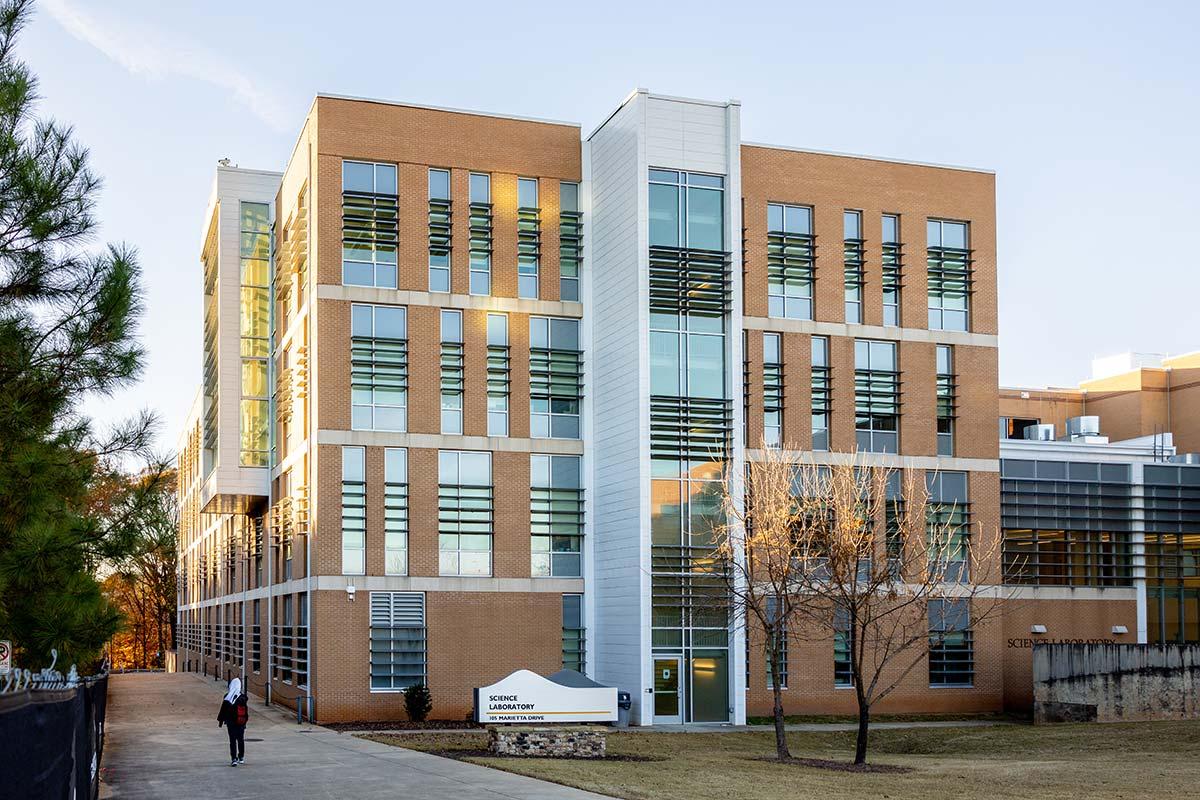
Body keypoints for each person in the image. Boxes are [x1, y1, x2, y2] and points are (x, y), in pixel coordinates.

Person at [217, 677, 250, 766]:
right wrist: (245, 721)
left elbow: (223, 710)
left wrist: (220, 720)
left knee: (232, 740)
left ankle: (233, 759)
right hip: (240, 722)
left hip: (230, 722)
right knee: (240, 739)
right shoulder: (243, 698)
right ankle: (241, 757)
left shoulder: (227, 697)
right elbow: (245, 711)